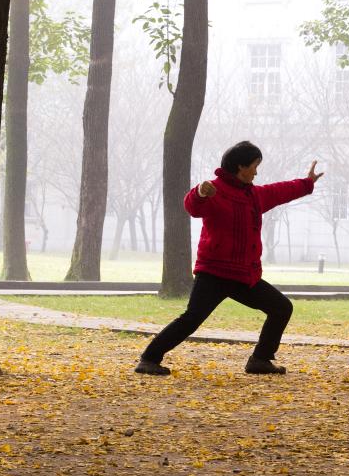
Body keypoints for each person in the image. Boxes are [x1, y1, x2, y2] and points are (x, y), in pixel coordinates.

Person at [136, 141, 323, 376]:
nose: (256, 171)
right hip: (214, 274)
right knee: (191, 319)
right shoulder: (214, 190)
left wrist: (306, 183)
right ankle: (148, 359)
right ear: (240, 166)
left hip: (243, 275)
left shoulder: (254, 195)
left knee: (281, 307)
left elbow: (279, 191)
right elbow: (193, 206)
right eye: (254, 166)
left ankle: (260, 360)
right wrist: (201, 192)